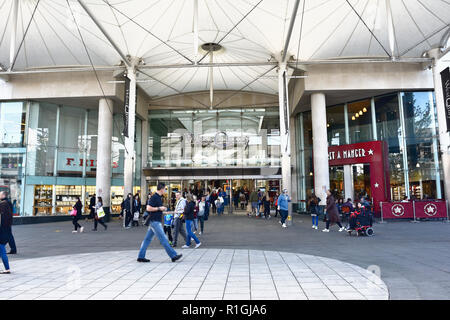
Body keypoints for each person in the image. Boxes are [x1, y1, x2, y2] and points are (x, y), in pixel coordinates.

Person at [137, 183, 183, 263]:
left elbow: (158, 210)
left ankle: (141, 257)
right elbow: (148, 208)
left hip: (154, 221)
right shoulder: (154, 197)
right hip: (154, 221)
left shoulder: (158, 197)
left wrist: (168, 211)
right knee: (164, 238)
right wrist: (159, 208)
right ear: (161, 189)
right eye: (165, 189)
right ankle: (173, 255)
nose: (165, 190)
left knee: (147, 239)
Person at [0, 191, 12, 274]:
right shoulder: (8, 216)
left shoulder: (2, 218)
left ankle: (7, 269)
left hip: (2, 234)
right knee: (2, 251)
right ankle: (7, 268)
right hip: (6, 233)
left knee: (2, 251)